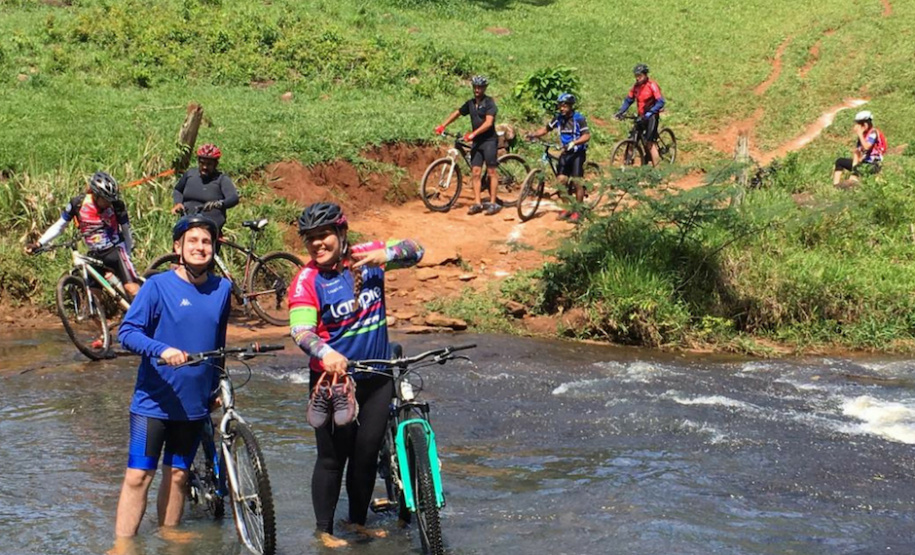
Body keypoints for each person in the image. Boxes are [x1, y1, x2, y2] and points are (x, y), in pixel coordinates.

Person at [288, 202, 424, 548]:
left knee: (365, 456)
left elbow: (417, 250)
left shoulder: (368, 256)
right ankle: (324, 531)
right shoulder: (307, 280)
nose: (318, 244)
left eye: (324, 236)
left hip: (378, 378)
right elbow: (301, 331)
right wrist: (327, 352)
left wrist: (388, 254)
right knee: (333, 459)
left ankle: (357, 521)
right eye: (311, 239)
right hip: (334, 385)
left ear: (341, 234)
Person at [111, 214, 231, 548]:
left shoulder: (223, 289)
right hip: (153, 401)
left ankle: (169, 541)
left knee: (178, 475)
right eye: (192, 240)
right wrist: (161, 350)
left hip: (194, 403)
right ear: (178, 246)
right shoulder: (156, 286)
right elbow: (127, 333)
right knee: (138, 476)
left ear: (214, 248)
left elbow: (218, 345)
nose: (199, 247)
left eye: (206, 241)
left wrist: (217, 385)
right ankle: (123, 547)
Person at [26, 171, 140, 297]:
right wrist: (39, 243)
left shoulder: (117, 206)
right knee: (93, 295)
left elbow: (126, 231)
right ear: (96, 195)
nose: (109, 203)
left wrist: (128, 253)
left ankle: (150, 309)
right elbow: (59, 226)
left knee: (131, 289)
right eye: (106, 199)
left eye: (111, 199)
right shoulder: (78, 204)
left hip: (116, 251)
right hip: (95, 254)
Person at [435, 75, 502, 216]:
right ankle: (478, 203)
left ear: (484, 88)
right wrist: (443, 125)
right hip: (477, 142)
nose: (477, 90)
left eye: (480, 87)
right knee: (475, 172)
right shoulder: (470, 104)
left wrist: (473, 134)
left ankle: (493, 203)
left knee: (491, 172)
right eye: (475, 87)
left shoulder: (489, 103)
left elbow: (489, 123)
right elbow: (458, 113)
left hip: (489, 141)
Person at [526, 93, 592, 223]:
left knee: (577, 182)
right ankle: (567, 207)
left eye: (564, 106)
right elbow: (545, 129)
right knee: (560, 181)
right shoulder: (558, 118)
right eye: (560, 106)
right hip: (565, 153)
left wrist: (574, 143)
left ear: (571, 106)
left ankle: (578, 210)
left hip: (577, 153)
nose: (562, 108)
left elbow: (586, 136)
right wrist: (533, 135)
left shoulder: (579, 118)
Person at [171, 143, 239, 232]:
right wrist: (178, 203)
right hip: (187, 221)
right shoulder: (190, 174)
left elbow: (233, 198)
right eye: (202, 163)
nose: (204, 167)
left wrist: (219, 204)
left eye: (209, 164)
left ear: (216, 164)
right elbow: (177, 190)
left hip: (209, 226)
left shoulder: (221, 179)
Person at [615, 63, 666, 166]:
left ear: (645, 75)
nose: (637, 78)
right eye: (636, 76)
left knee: (649, 143)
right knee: (632, 139)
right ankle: (626, 164)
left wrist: (651, 112)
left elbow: (661, 101)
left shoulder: (652, 85)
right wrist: (620, 112)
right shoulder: (636, 87)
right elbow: (629, 100)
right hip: (641, 116)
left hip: (651, 116)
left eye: (640, 76)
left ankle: (658, 171)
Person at [833, 110, 886, 186]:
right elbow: (857, 153)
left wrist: (860, 134)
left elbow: (866, 147)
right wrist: (854, 168)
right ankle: (836, 185)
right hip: (863, 163)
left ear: (865, 124)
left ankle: (853, 183)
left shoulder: (873, 133)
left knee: (859, 168)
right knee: (840, 161)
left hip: (873, 164)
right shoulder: (862, 136)